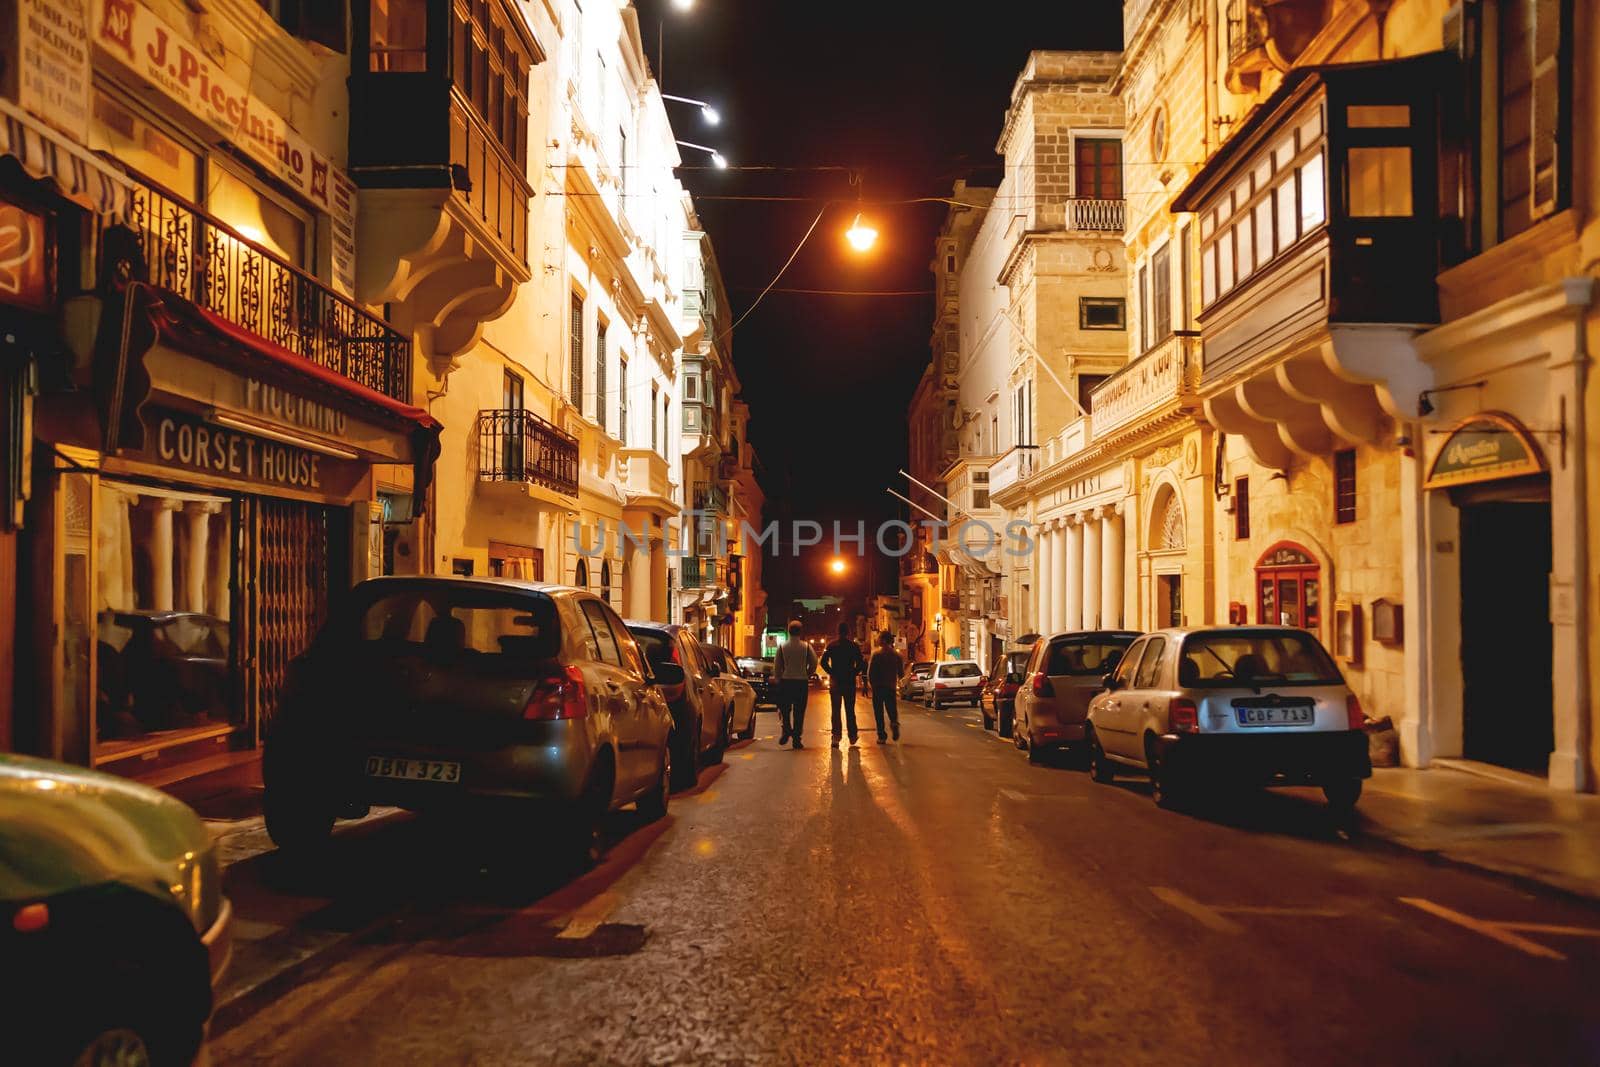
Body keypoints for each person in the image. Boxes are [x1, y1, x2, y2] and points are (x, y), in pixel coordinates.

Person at [819, 623, 866, 747]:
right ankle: (852, 735)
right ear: (848, 632)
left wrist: (832, 672)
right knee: (850, 710)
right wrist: (854, 673)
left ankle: (836, 736)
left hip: (836, 682)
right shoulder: (853, 646)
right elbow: (861, 663)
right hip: (849, 682)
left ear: (838, 632)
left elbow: (823, 662)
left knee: (835, 710)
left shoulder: (832, 646)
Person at [773, 621, 817, 748]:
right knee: (799, 711)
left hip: (786, 681)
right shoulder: (806, 647)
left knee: (785, 709)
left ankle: (787, 729)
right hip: (801, 682)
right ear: (800, 631)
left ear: (789, 631)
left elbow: (777, 666)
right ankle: (796, 739)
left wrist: (778, 678)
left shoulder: (782, 647)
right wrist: (807, 672)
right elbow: (814, 662)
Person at [867, 630, 905, 742]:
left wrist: (871, 684)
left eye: (879, 638)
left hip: (878, 687)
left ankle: (881, 735)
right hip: (890, 687)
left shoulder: (876, 655)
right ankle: (894, 723)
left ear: (883, 640)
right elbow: (901, 673)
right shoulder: (897, 655)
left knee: (879, 712)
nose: (877, 640)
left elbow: (870, 672)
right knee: (892, 709)